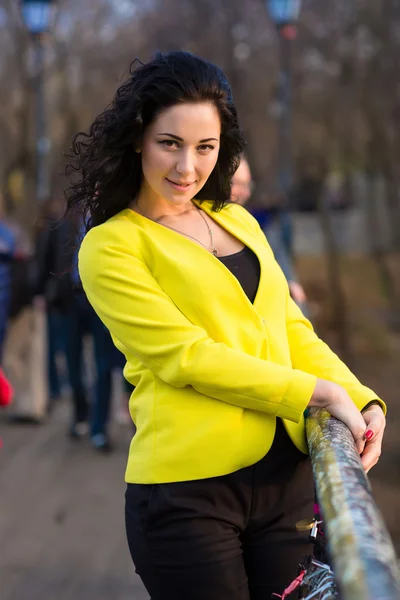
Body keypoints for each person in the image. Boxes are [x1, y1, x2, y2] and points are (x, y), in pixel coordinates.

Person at [68, 51, 386, 599]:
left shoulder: (237, 219)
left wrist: (361, 399)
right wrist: (315, 392)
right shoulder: (111, 245)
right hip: (187, 496)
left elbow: (289, 326)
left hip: (283, 483)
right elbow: (186, 356)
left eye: (205, 148)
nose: (187, 167)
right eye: (170, 143)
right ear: (138, 139)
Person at [231, 156, 308, 309]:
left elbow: (278, 259)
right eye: (239, 184)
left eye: (248, 185)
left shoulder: (258, 225)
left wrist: (289, 282)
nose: (246, 193)